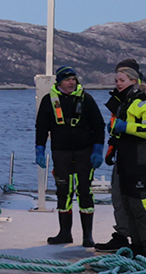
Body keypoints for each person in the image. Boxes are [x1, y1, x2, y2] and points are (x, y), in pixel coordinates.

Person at [99, 59, 146, 262]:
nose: (118, 83)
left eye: (122, 80)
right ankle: (136, 245)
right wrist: (112, 143)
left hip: (141, 159)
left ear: (134, 80)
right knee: (129, 204)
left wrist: (126, 127)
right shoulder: (125, 101)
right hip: (125, 158)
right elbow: (119, 130)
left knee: (143, 204)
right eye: (116, 80)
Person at [34, 65, 105, 246]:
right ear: (59, 82)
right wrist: (40, 149)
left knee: (84, 191)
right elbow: (41, 126)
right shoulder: (48, 100)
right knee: (63, 192)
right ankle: (65, 233)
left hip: (84, 151)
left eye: (73, 79)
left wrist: (98, 150)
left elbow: (98, 125)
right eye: (67, 79)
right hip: (61, 152)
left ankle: (87, 236)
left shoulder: (86, 99)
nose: (71, 82)